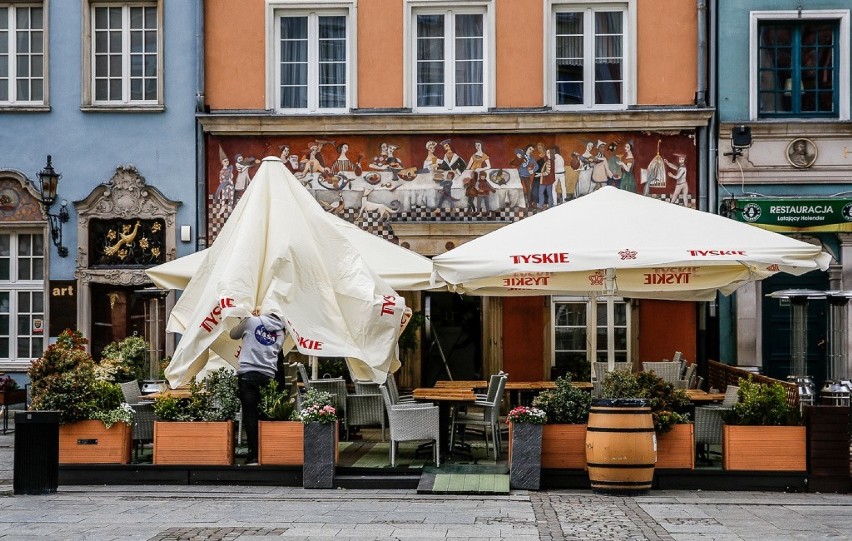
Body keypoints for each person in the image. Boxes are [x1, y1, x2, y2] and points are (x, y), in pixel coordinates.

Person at [230, 310, 286, 465]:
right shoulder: (281, 332)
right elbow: (277, 350)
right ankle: (267, 453)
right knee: (265, 415)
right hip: (268, 375)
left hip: (248, 373)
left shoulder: (251, 322)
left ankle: (253, 456)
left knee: (250, 415)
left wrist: (247, 318)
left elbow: (233, 334)